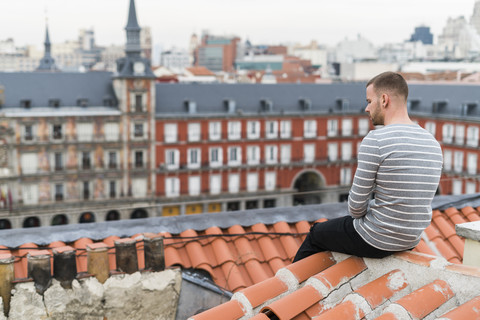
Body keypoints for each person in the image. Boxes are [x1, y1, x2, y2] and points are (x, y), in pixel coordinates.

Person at [293, 71, 443, 262]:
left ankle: (288, 289)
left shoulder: (376, 140)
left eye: (369, 101)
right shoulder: (432, 142)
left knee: (317, 233)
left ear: (384, 100)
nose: (366, 108)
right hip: (411, 239)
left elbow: (355, 208)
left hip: (376, 239)